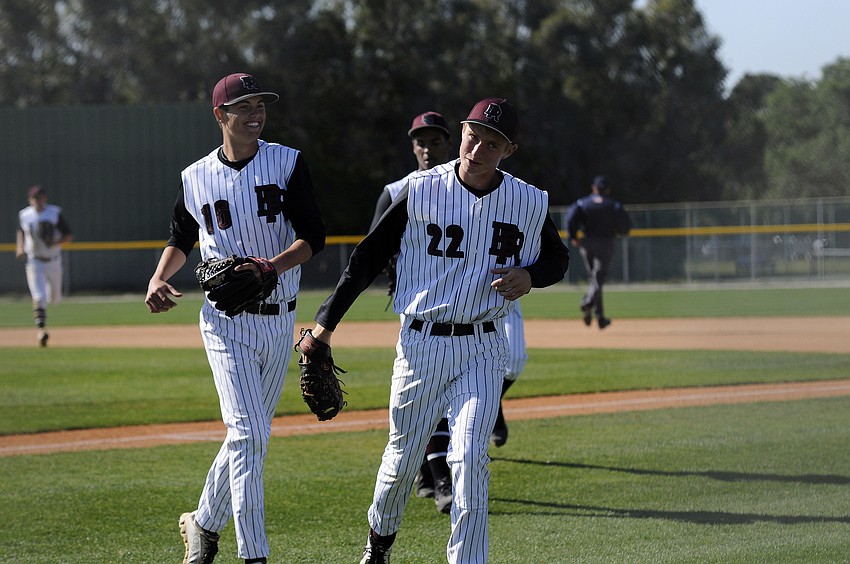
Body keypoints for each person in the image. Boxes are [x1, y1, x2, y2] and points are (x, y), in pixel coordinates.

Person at [311, 97, 569, 563]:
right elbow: (367, 258)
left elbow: (557, 259)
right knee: (401, 462)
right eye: (473, 135)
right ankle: (378, 544)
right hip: (421, 343)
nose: (478, 149)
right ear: (463, 131)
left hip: (485, 345)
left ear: (509, 151)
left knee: (470, 460)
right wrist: (326, 324)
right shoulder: (420, 190)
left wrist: (531, 276)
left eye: (493, 143)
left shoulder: (527, 200)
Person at [144, 72, 326, 564]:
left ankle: (202, 524)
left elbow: (314, 236)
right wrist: (158, 277)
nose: (255, 113)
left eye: (261, 105)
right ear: (220, 116)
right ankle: (255, 555)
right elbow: (182, 236)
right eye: (243, 106)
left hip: (278, 320)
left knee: (251, 438)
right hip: (226, 324)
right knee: (249, 435)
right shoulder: (195, 175)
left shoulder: (287, 163)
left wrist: (273, 266)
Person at [566, 175, 632, 330]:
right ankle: (588, 302)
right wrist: (622, 231)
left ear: (593, 188)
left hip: (586, 242)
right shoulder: (613, 204)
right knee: (598, 279)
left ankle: (600, 317)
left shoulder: (583, 203)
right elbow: (625, 225)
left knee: (595, 279)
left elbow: (570, 218)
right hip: (605, 243)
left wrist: (574, 235)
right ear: (607, 189)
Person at [16, 185, 73, 347]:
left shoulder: (54, 213)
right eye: (34, 198)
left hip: (53, 260)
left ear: (45, 198)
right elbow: (21, 231)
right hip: (35, 261)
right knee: (38, 296)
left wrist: (54, 241)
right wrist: (20, 247)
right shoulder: (25, 215)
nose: (38, 201)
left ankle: (46, 305)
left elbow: (68, 235)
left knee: (55, 299)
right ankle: (41, 331)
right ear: (30, 199)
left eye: (40, 197)